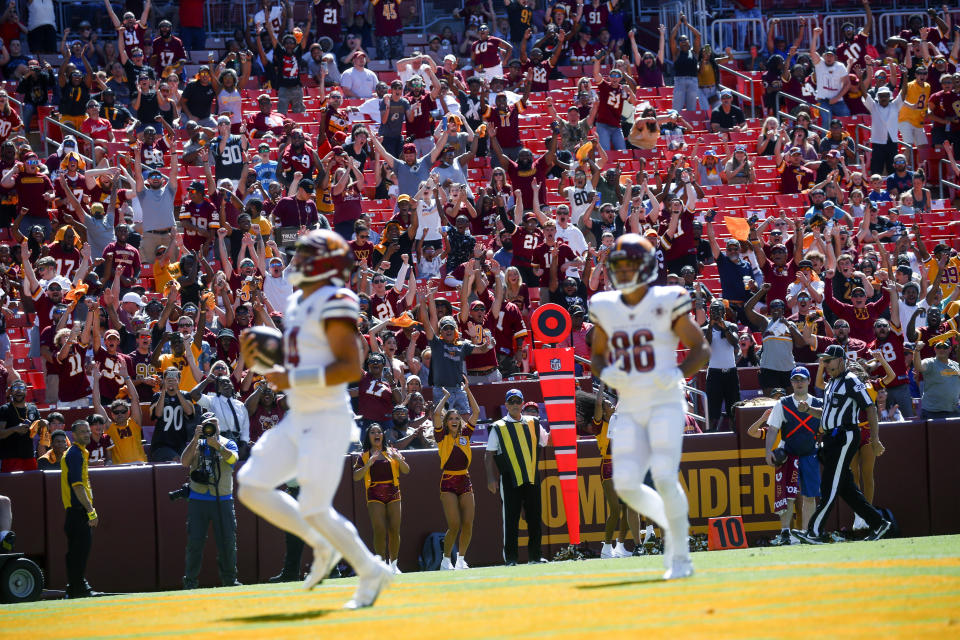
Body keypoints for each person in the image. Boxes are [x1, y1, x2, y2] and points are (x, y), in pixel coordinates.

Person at [237, 229, 393, 609]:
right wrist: (271, 359)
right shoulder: (294, 303)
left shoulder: (336, 299)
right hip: (297, 414)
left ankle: (371, 570)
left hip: (326, 416)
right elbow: (300, 358)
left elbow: (349, 367)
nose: (297, 262)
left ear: (324, 263)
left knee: (314, 506)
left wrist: (291, 377)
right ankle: (322, 542)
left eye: (306, 255)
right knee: (251, 484)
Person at [589, 233, 710, 580]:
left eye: (630, 267)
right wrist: (606, 371)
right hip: (629, 404)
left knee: (663, 477)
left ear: (646, 268)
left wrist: (677, 373)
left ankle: (681, 554)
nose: (624, 274)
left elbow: (700, 349)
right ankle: (673, 526)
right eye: (619, 268)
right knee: (625, 485)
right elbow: (597, 355)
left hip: (665, 399)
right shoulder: (605, 305)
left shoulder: (668, 298)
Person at [794, 345, 892, 544]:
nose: (826, 363)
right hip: (832, 437)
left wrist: (874, 439)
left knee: (828, 485)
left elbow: (870, 408)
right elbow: (827, 414)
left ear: (841, 360)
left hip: (845, 435)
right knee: (846, 488)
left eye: (829, 360)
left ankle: (814, 531)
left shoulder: (851, 380)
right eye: (824, 360)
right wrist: (809, 410)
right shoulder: (831, 383)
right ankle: (879, 523)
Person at [484, 387, 551, 566]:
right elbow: (488, 454)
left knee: (535, 518)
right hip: (509, 478)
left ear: (522, 403)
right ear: (506, 404)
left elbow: (547, 440)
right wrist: (491, 478)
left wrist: (563, 423)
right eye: (511, 401)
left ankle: (535, 557)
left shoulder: (533, 422)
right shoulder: (498, 426)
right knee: (511, 520)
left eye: (517, 401)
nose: (515, 405)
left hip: (531, 477)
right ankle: (511, 558)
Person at [181, 412, 241, 589]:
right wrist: (195, 439)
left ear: (219, 426)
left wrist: (218, 446)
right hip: (198, 500)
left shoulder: (227, 442)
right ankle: (190, 582)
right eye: (208, 424)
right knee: (195, 543)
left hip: (222, 500)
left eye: (214, 424)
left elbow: (233, 459)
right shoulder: (197, 443)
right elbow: (184, 462)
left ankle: (230, 580)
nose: (211, 427)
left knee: (227, 542)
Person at [764, 367, 822, 546]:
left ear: (808, 381)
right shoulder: (782, 403)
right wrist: (768, 452)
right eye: (795, 380)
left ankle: (807, 532)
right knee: (787, 496)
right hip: (789, 455)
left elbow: (827, 427)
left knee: (810, 496)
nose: (799, 383)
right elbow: (773, 429)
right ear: (791, 382)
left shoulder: (819, 403)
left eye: (802, 380)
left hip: (810, 453)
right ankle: (785, 532)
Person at [434, 382, 480, 570]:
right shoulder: (441, 436)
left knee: (468, 523)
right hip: (448, 481)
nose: (454, 420)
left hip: (465, 479)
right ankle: (446, 560)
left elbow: (475, 413)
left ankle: (461, 559)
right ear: (447, 422)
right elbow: (436, 414)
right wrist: (445, 397)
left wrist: (467, 390)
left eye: (456, 417)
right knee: (454, 524)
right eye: (451, 418)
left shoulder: (465, 434)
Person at [353, 423, 409, 574]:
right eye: (373, 432)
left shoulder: (392, 451)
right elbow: (356, 476)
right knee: (379, 530)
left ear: (383, 435)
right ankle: (381, 564)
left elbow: (406, 470)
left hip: (393, 491)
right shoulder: (363, 456)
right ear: (368, 436)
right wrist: (368, 464)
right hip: (374, 493)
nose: (376, 434)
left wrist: (399, 459)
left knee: (394, 529)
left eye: (379, 432)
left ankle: (394, 564)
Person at [61, 419, 99, 598]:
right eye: (82, 432)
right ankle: (79, 588)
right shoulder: (75, 454)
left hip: (75, 512)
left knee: (77, 552)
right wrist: (90, 511)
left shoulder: (79, 453)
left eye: (87, 431)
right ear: (73, 435)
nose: (87, 434)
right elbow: (77, 486)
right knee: (79, 552)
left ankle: (74, 587)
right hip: (78, 512)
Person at [702, 299, 740, 431]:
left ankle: (735, 438)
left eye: (718, 311)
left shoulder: (732, 326)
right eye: (713, 311)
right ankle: (711, 439)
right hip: (714, 374)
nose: (716, 314)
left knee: (733, 410)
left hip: (731, 373)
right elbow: (706, 345)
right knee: (713, 411)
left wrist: (724, 327)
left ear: (724, 313)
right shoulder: (705, 329)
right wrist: (711, 327)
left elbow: (734, 342)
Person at [914, 337, 960, 419]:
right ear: (935, 349)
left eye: (945, 347)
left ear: (950, 349)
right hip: (932, 412)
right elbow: (918, 367)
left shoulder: (956, 365)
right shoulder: (930, 362)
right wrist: (917, 350)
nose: (941, 349)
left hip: (953, 411)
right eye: (939, 347)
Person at [0, 380, 41, 472]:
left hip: (29, 456)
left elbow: (40, 430)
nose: (19, 391)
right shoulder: (4, 409)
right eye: (15, 388)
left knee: (32, 484)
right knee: (10, 486)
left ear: (26, 391)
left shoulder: (32, 408)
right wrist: (15, 429)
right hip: (10, 458)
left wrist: (43, 424)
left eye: (22, 388)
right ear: (11, 392)